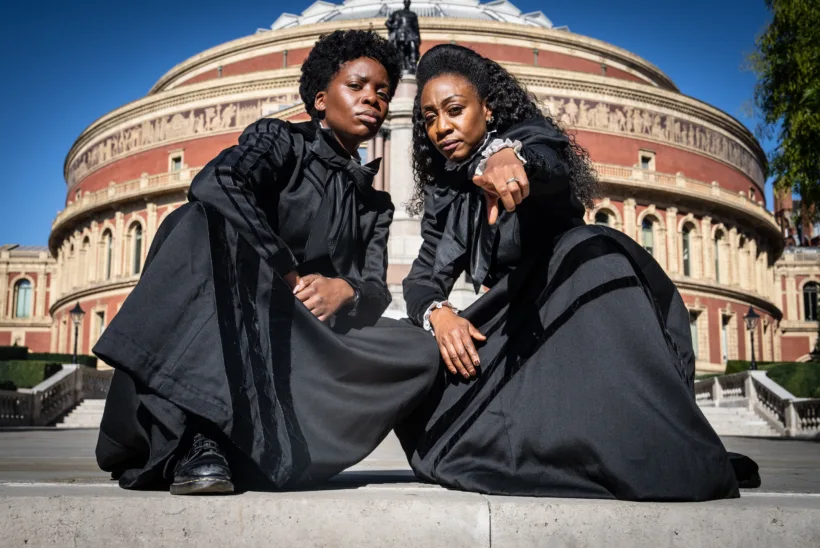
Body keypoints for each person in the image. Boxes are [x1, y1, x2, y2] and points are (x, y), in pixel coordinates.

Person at [395, 44, 751, 501]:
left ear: (487, 108)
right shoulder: (447, 191)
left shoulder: (530, 140)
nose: (441, 127)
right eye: (428, 118)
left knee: (593, 246)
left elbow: (551, 167)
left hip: (577, 307)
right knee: (415, 358)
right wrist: (440, 314)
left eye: (454, 110)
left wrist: (513, 158)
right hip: (516, 321)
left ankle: (647, 446)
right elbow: (424, 275)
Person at [94, 30, 440, 495]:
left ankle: (279, 448)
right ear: (320, 99)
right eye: (357, 86)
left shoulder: (374, 205)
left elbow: (375, 290)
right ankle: (202, 437)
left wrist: (347, 291)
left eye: (381, 92)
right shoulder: (279, 140)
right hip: (233, 306)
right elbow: (220, 182)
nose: (372, 100)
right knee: (197, 222)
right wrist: (287, 270)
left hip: (303, 333)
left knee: (418, 347)